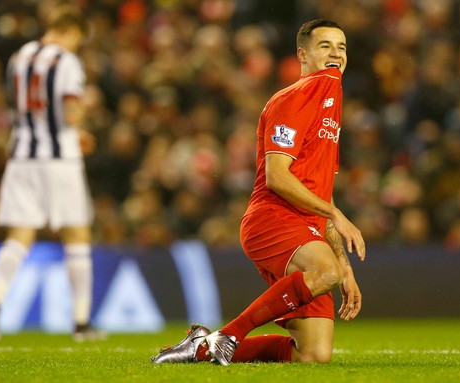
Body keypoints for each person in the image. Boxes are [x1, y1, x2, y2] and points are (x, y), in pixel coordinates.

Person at [152, 19, 365, 365]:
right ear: (303, 55)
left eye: (341, 47)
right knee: (324, 273)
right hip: (273, 218)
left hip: (308, 226)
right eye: (325, 45)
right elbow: (277, 177)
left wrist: (344, 264)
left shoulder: (331, 104)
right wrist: (334, 218)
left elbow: (323, 192)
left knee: (312, 355)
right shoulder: (290, 100)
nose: (336, 54)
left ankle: (202, 348)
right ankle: (230, 334)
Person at [0, 6, 102, 342]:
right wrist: (81, 123)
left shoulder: (19, 57)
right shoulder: (66, 61)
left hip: (21, 155)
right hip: (59, 159)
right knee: (76, 234)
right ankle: (81, 323)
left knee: (19, 236)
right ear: (72, 31)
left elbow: (26, 109)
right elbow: (69, 110)